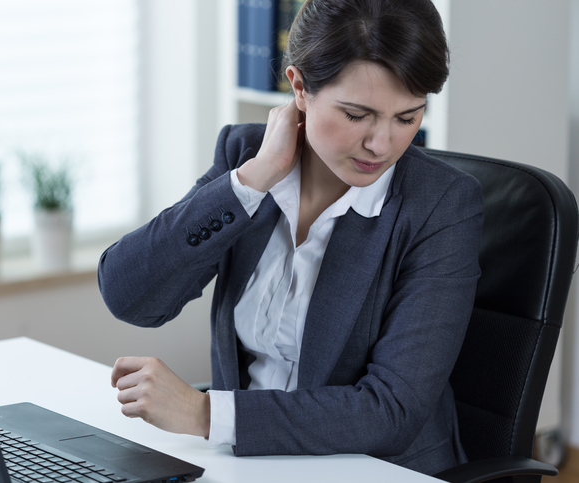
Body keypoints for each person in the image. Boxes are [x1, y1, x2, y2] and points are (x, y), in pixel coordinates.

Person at [97, 0, 483, 476]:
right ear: (300, 87)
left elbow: (391, 411)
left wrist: (205, 414)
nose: (381, 145)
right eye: (357, 115)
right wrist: (251, 183)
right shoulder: (245, 153)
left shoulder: (442, 205)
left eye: (407, 118)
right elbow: (128, 295)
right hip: (246, 464)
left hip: (372, 469)